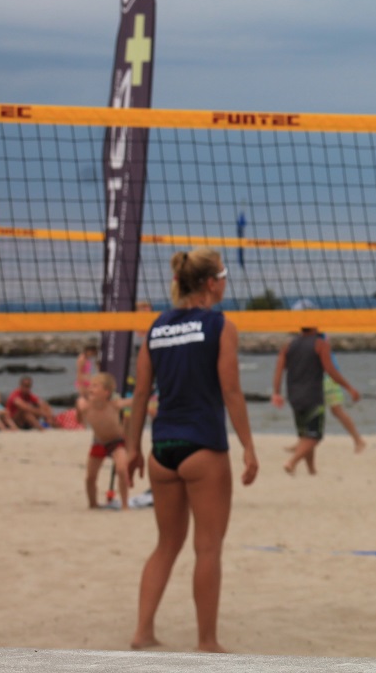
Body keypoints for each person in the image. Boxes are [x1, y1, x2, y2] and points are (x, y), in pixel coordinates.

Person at [125, 248, 258, 653]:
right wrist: (249, 447)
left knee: (166, 544)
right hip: (203, 448)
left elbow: (141, 393)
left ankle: (143, 632)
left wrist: (131, 448)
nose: (226, 282)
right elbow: (231, 391)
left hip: (162, 448)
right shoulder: (220, 326)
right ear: (210, 283)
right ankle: (207, 642)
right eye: (223, 275)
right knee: (208, 547)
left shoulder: (157, 327)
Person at [271, 328, 360, 474]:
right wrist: (349, 388)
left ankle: (311, 470)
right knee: (314, 436)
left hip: (294, 395)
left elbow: (279, 370)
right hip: (312, 395)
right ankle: (292, 462)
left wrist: (276, 392)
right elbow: (331, 371)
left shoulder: (288, 345)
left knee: (305, 434)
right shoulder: (320, 344)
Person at [80, 372, 130, 509]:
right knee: (90, 477)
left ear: (106, 392)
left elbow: (134, 401)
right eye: (90, 386)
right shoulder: (86, 405)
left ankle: (125, 504)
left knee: (121, 469)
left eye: (96, 386)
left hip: (117, 441)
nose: (91, 389)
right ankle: (93, 504)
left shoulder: (113, 404)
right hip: (99, 441)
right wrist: (79, 410)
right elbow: (79, 421)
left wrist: (148, 401)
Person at [321, 349, 366, 453]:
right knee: (313, 409)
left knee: (337, 411)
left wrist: (349, 388)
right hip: (323, 377)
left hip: (328, 378)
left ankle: (358, 440)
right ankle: (302, 440)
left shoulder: (319, 339)